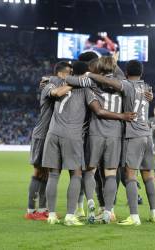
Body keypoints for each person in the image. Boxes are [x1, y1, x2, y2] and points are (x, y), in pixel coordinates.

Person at [43, 60, 136, 226]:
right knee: (104, 175)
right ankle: (105, 211)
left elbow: (60, 90)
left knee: (64, 174)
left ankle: (54, 214)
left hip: (61, 132)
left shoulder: (61, 82)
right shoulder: (120, 85)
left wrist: (53, 78)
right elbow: (100, 107)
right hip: (105, 134)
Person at [86, 59, 155, 226]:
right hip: (147, 135)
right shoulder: (147, 87)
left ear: (126, 73)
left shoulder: (126, 85)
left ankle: (134, 217)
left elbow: (107, 80)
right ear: (141, 72)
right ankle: (154, 212)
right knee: (148, 176)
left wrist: (90, 74)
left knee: (130, 176)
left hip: (133, 135)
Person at [25, 62, 73, 220]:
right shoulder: (50, 85)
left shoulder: (54, 82)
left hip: (51, 134)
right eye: (70, 73)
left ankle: (42, 209)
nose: (72, 76)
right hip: (42, 134)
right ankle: (32, 211)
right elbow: (57, 93)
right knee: (39, 172)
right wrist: (76, 83)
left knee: (46, 172)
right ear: (62, 73)